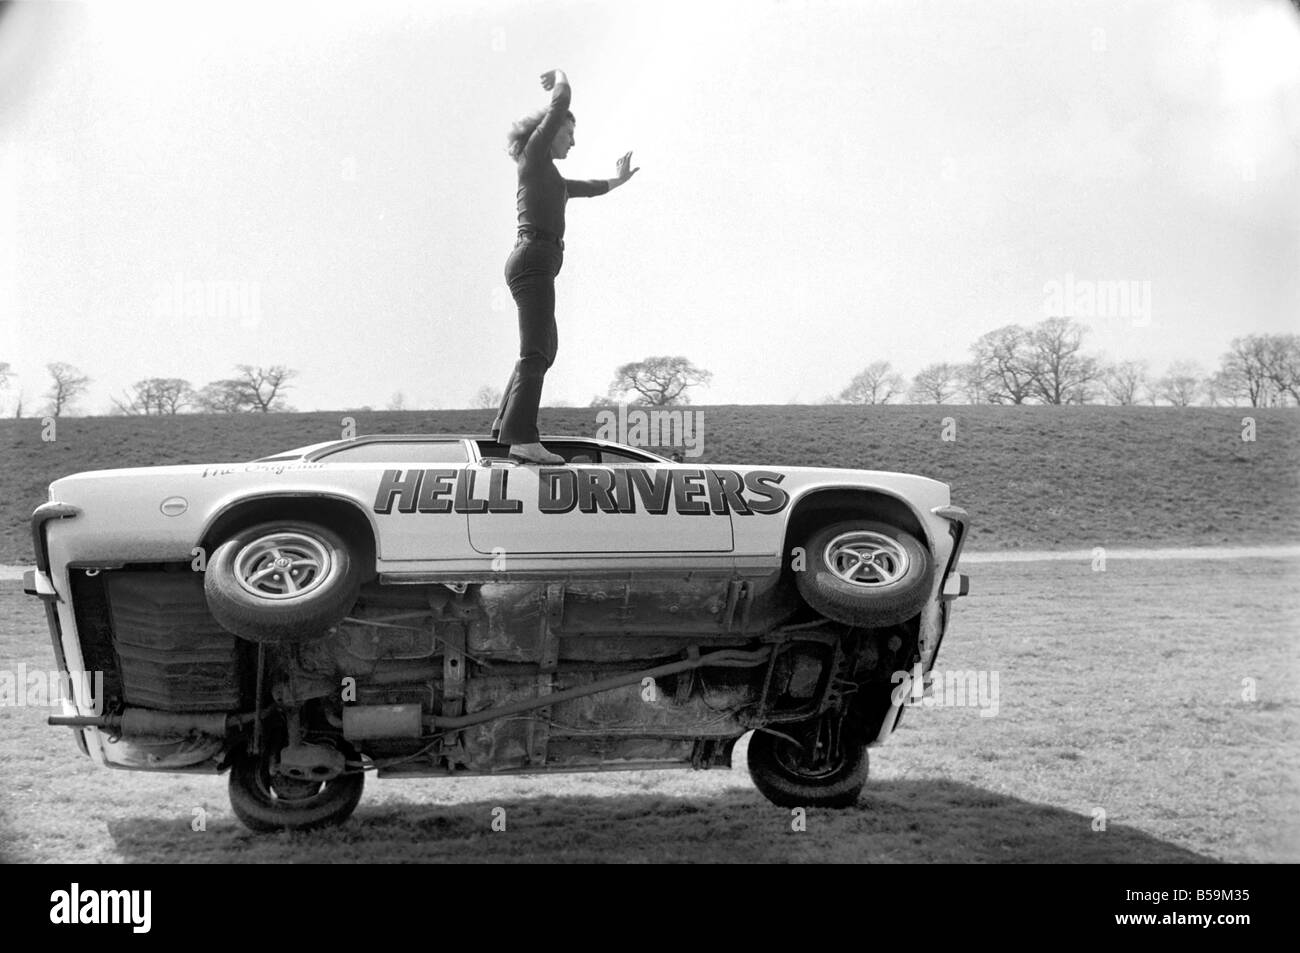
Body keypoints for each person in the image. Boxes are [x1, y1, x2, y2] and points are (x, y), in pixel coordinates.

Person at [492, 68, 639, 464]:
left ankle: (504, 427)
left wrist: (618, 181)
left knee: (544, 349)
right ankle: (521, 437)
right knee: (536, 351)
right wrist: (560, 75)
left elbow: (588, 189)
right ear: (549, 131)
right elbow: (560, 102)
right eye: (568, 133)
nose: (573, 141)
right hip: (533, 259)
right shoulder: (535, 157)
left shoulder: (552, 178)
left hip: (538, 262)